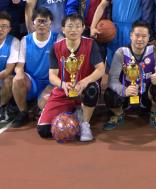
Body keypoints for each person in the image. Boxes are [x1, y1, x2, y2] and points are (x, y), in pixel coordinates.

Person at [36, 13, 105, 142]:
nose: (74, 30)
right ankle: (74, 114)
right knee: (44, 131)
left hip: (83, 90)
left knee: (92, 89)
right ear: (63, 29)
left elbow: (101, 69)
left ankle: (85, 124)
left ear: (83, 28)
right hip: (64, 91)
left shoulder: (91, 44)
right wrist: (63, 84)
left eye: (78, 26)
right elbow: (52, 76)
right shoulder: (56, 47)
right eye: (70, 26)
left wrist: (84, 82)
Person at [103, 21, 156, 131]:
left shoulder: (154, 51)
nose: (140, 39)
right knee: (110, 94)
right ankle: (119, 114)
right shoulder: (121, 52)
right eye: (137, 35)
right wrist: (124, 90)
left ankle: (154, 113)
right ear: (131, 35)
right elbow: (112, 80)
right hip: (126, 96)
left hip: (147, 95)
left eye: (144, 36)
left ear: (148, 38)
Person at [8, 7, 57, 128]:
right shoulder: (26, 40)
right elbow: (19, 66)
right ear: (33, 23)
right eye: (39, 21)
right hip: (33, 82)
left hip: (50, 82)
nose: (42, 24)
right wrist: (19, 73)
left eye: (45, 21)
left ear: (51, 23)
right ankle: (23, 112)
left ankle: (39, 107)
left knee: (43, 104)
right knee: (17, 79)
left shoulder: (58, 39)